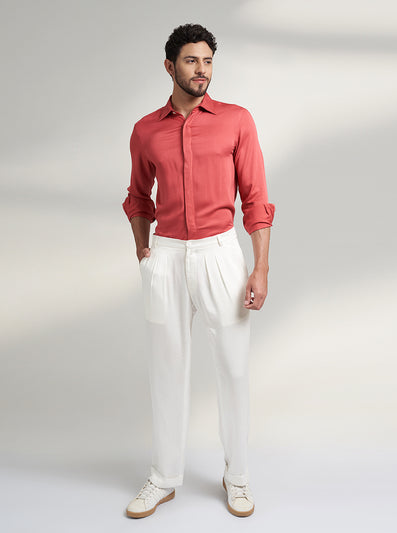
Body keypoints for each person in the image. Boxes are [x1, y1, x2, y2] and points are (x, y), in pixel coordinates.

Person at [122, 23, 275, 518]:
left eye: (208, 61)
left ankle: (238, 476)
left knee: (233, 368)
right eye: (192, 61)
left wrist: (260, 267)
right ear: (170, 66)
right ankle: (163, 477)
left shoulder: (236, 121)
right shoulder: (146, 130)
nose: (202, 70)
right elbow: (137, 196)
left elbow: (255, 199)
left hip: (220, 254)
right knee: (166, 370)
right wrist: (144, 253)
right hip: (166, 256)